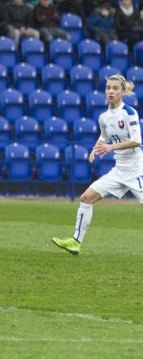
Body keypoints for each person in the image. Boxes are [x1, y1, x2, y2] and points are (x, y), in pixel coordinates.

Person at [53, 75, 142, 255]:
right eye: (108, 88)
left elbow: (136, 140)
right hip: (119, 171)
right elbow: (104, 136)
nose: (111, 91)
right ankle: (75, 242)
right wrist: (95, 149)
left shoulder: (129, 112)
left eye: (115, 88)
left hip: (137, 171)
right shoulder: (104, 117)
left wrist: (111, 147)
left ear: (122, 92)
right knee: (86, 198)